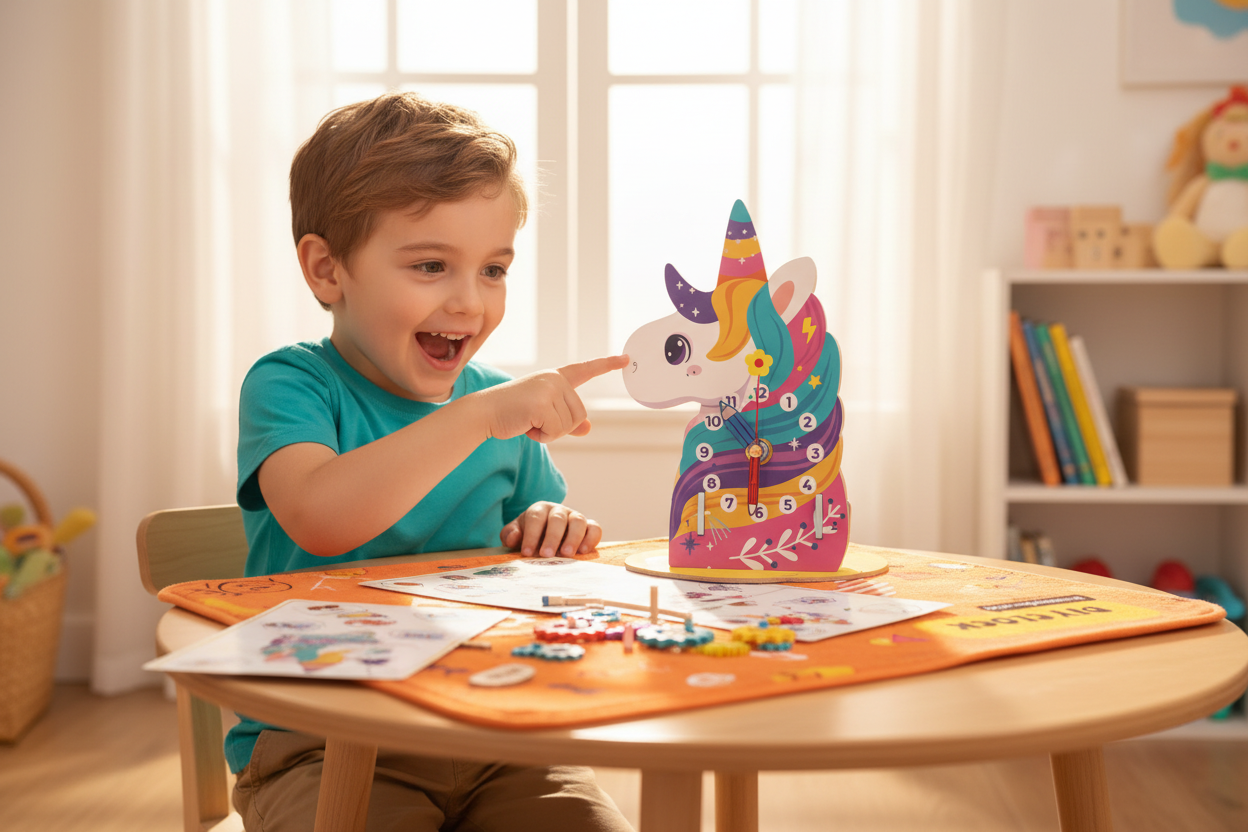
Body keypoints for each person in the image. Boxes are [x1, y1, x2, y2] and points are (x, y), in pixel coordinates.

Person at [228, 91, 633, 832]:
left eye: (493, 270)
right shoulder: (292, 384)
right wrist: (476, 417)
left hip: (500, 733)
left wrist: (552, 528)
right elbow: (323, 515)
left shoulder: (495, 408)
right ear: (326, 270)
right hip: (321, 740)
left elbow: (540, 566)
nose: (470, 303)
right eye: (430, 266)